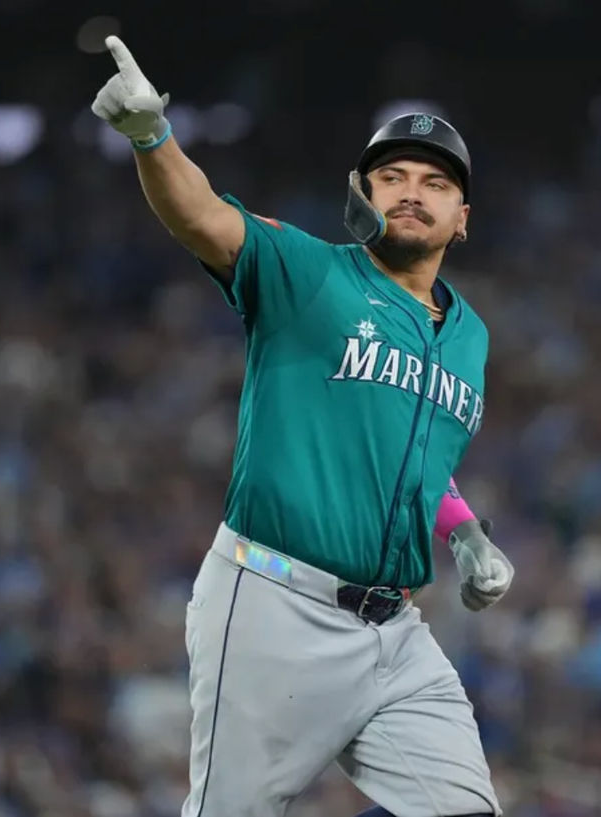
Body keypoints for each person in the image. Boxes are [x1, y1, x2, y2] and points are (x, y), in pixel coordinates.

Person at [91, 35, 514, 817]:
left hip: (395, 633)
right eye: (392, 177)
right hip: (274, 607)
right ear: (362, 194)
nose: (411, 191)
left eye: (434, 181)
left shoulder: (471, 337)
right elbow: (207, 220)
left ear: (463, 219)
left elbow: (409, 446)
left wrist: (462, 531)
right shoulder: (309, 274)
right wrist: (152, 138)